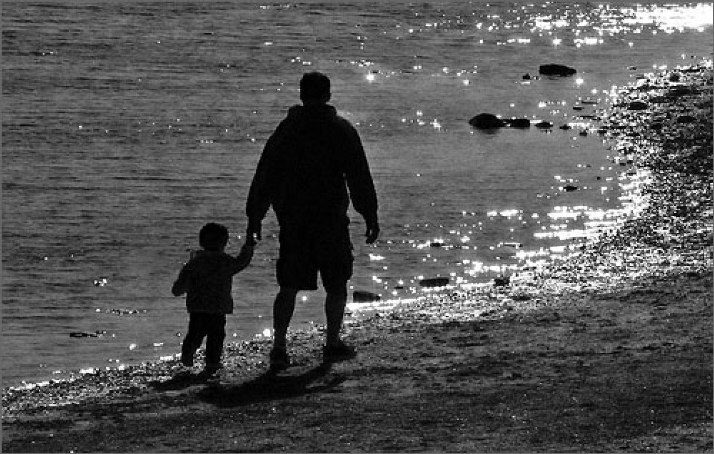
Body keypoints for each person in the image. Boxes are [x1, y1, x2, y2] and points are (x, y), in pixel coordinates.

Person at [246, 71, 379, 370]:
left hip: (294, 219)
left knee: (289, 285)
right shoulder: (341, 129)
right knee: (336, 283)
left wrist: (255, 216)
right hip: (330, 218)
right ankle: (331, 342)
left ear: (301, 94)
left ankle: (279, 346)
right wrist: (369, 213)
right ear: (328, 95)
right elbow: (358, 175)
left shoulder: (288, 130)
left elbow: (265, 175)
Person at [171, 222, 254, 375]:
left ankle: (189, 352)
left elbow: (179, 286)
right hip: (218, 307)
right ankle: (212, 363)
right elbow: (241, 262)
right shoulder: (224, 261)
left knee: (196, 333)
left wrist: (178, 289)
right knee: (216, 336)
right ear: (224, 242)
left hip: (198, 307)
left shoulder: (195, 263)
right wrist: (248, 246)